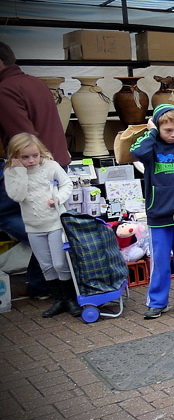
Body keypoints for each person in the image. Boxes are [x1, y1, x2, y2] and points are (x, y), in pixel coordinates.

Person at [0, 41, 71, 299]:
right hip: (53, 158)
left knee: (7, 214)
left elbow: (21, 136)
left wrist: (17, 164)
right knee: (36, 217)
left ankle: (51, 246)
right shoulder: (34, 82)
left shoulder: (5, 90)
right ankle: (41, 285)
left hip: (34, 164)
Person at [129, 103, 174, 319]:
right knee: (160, 261)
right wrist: (152, 130)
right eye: (167, 130)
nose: (173, 135)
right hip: (158, 214)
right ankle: (158, 302)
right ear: (158, 128)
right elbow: (137, 151)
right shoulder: (151, 145)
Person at [3, 133, 80, 318]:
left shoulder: (50, 166)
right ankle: (58, 299)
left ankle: (70, 299)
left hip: (54, 221)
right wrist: (20, 172)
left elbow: (66, 184)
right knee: (46, 265)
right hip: (33, 225)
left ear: (40, 153)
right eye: (25, 157)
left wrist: (59, 198)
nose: (31, 160)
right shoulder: (11, 173)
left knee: (60, 262)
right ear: (15, 157)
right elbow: (17, 196)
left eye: (34, 155)